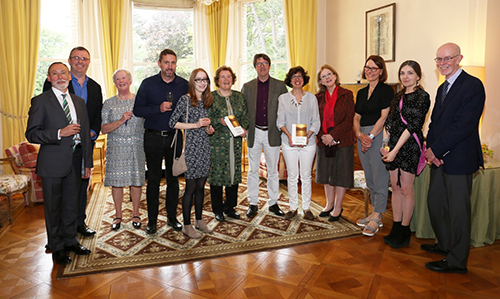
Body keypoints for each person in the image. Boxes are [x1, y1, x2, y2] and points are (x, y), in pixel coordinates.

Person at [422, 43, 485, 273]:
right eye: (438, 59)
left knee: (458, 212)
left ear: (459, 58)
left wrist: (436, 150)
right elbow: (437, 123)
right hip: (439, 157)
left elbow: (463, 126)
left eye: (447, 58)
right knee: (436, 203)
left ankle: (457, 260)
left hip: (459, 159)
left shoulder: (473, 85)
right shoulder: (442, 87)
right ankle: (445, 245)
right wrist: (431, 148)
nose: (442, 63)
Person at [26, 62, 92, 265]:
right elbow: (31, 133)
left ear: (70, 76)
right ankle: (57, 247)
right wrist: (59, 133)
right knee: (54, 207)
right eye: (54, 74)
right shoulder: (40, 101)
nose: (60, 76)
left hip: (75, 160)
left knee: (72, 204)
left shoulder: (79, 101)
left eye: (63, 72)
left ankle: (71, 240)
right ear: (48, 78)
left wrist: (87, 163)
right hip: (52, 163)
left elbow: (86, 134)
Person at [43, 46, 103, 238]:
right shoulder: (55, 83)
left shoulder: (95, 87)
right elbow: (46, 113)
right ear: (70, 61)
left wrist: (92, 132)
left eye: (84, 58)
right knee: (59, 193)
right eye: (76, 58)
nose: (80, 61)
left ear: (88, 62)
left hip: (83, 146)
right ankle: (57, 233)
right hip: (59, 148)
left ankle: (79, 223)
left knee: (80, 188)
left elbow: (96, 115)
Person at [133, 49, 189, 234]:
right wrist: (158, 108)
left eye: (173, 63)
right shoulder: (148, 84)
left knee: (173, 180)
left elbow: (192, 108)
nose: (170, 67)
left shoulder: (183, 84)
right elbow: (138, 110)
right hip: (152, 137)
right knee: (154, 180)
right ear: (159, 63)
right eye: (166, 62)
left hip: (174, 138)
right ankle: (152, 221)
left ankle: (172, 218)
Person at [380, 61, 430, 248]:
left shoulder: (422, 96)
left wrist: (394, 151)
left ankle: (405, 230)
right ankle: (396, 225)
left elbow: (412, 126)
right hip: (393, 146)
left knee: (407, 188)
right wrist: (385, 144)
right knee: (395, 185)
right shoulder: (398, 96)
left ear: (418, 76)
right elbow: (389, 123)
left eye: (410, 73)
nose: (405, 76)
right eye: (402, 73)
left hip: (409, 146)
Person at [241, 53, 288, 218]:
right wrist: (243, 128)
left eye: (265, 63)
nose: (262, 66)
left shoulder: (280, 86)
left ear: (269, 65)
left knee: (273, 171)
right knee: (252, 170)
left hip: (272, 134)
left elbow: (285, 111)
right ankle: (253, 203)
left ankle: (273, 203)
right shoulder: (247, 87)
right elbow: (242, 111)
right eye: (259, 64)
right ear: (255, 67)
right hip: (254, 133)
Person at [169, 68, 214, 239]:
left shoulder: (207, 101)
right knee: (191, 187)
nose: (203, 83)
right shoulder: (185, 100)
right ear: (192, 82)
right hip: (191, 149)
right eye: (199, 80)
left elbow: (206, 125)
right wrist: (195, 125)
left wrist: (209, 129)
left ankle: (199, 220)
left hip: (204, 147)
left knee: (202, 186)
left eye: (205, 80)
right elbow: (173, 122)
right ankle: (187, 225)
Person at [353, 55, 394, 237]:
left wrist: (369, 136)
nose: (370, 71)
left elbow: (384, 117)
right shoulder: (361, 92)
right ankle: (374, 211)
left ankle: (377, 216)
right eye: (367, 68)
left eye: (374, 69)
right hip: (362, 136)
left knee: (380, 176)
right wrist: (359, 135)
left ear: (381, 71)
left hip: (377, 135)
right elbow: (356, 117)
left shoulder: (387, 91)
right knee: (369, 176)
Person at [101, 69, 146, 230]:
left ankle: (136, 214)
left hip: (136, 146)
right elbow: (104, 129)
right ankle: (118, 215)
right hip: (116, 147)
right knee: (117, 183)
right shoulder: (108, 103)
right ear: (115, 83)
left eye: (124, 78)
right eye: (118, 79)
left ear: (130, 80)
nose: (121, 81)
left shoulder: (140, 101)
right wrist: (120, 120)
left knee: (136, 181)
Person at [277, 66, 320, 220]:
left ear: (304, 80)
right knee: (292, 176)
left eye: (300, 76)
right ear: (290, 80)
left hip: (308, 144)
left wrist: (308, 136)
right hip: (289, 143)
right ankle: (293, 207)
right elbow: (280, 122)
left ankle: (307, 208)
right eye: (294, 76)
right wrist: (289, 136)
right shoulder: (283, 99)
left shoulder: (312, 98)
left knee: (306, 176)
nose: (297, 79)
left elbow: (316, 121)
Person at [315, 65, 356, 222]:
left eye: (329, 74)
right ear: (321, 81)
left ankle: (338, 206)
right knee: (327, 173)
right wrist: (324, 136)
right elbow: (314, 119)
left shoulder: (346, 94)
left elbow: (348, 119)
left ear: (335, 76)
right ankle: (329, 204)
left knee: (341, 174)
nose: (327, 77)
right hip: (324, 141)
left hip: (342, 141)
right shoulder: (318, 97)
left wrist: (333, 135)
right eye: (324, 76)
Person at [208, 66, 249, 222]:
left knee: (234, 173)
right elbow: (207, 118)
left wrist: (244, 128)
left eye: (229, 76)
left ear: (233, 79)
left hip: (236, 142)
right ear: (217, 80)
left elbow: (245, 116)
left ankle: (230, 207)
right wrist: (218, 122)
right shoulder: (211, 97)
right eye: (222, 77)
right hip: (217, 142)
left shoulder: (239, 96)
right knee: (217, 174)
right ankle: (217, 209)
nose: (226, 80)